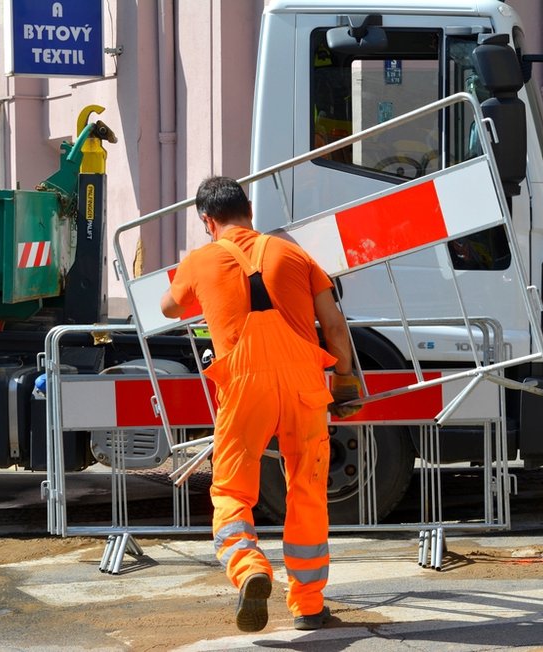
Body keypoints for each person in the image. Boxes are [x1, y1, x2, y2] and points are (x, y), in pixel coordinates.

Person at [160, 176, 362, 632]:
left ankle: (249, 567)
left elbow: (169, 308)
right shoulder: (294, 254)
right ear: (250, 210)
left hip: (244, 384)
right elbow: (332, 325)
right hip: (304, 382)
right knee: (307, 488)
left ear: (207, 221)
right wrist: (346, 379)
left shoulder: (200, 260)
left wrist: (200, 284)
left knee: (231, 490)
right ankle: (308, 605)